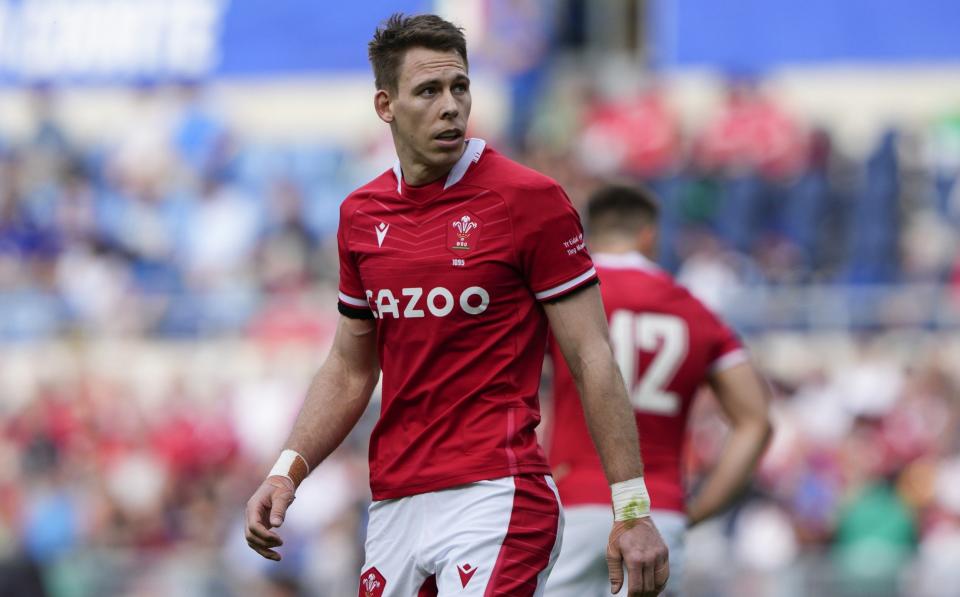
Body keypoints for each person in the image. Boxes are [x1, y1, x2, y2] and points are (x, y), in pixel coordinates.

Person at [243, 14, 669, 597]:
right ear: (385, 105)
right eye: (428, 91)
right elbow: (349, 367)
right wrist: (286, 472)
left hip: (497, 494)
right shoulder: (360, 216)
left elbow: (593, 356)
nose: (451, 105)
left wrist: (631, 506)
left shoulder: (530, 201)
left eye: (460, 87)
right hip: (394, 502)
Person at [544, 184, 773, 596]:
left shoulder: (568, 295)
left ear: (589, 235)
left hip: (570, 503)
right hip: (656, 514)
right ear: (650, 234)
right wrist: (696, 511)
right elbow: (756, 421)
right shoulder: (695, 310)